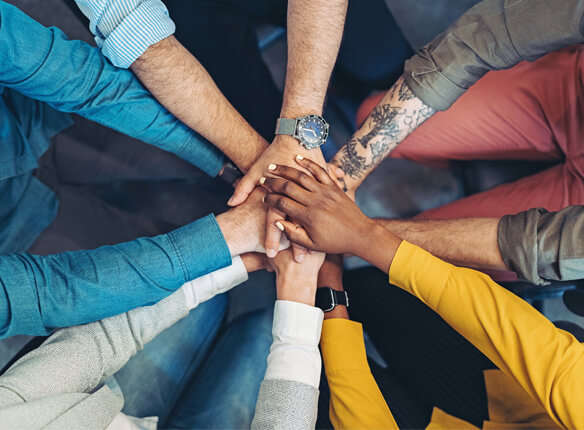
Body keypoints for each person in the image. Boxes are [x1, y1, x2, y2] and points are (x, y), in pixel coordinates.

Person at [258, 156, 584, 429]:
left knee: (315, 383)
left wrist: (329, 290)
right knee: (376, 288)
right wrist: (362, 235)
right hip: (512, 397)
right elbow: (518, 334)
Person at [0, 1, 230, 256]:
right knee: (183, 260)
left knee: (199, 147)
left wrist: (229, 165)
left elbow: (83, 82)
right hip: (16, 230)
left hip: (38, 118)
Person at [326, 0, 584, 223]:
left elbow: (536, 247)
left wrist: (364, 235)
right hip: (568, 90)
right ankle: (456, 158)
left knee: (423, 248)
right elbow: (485, 38)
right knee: (370, 116)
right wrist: (347, 170)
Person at [0, 188, 280, 338]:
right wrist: (229, 236)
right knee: (250, 329)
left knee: (136, 233)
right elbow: (47, 294)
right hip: (20, 237)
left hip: (25, 183)